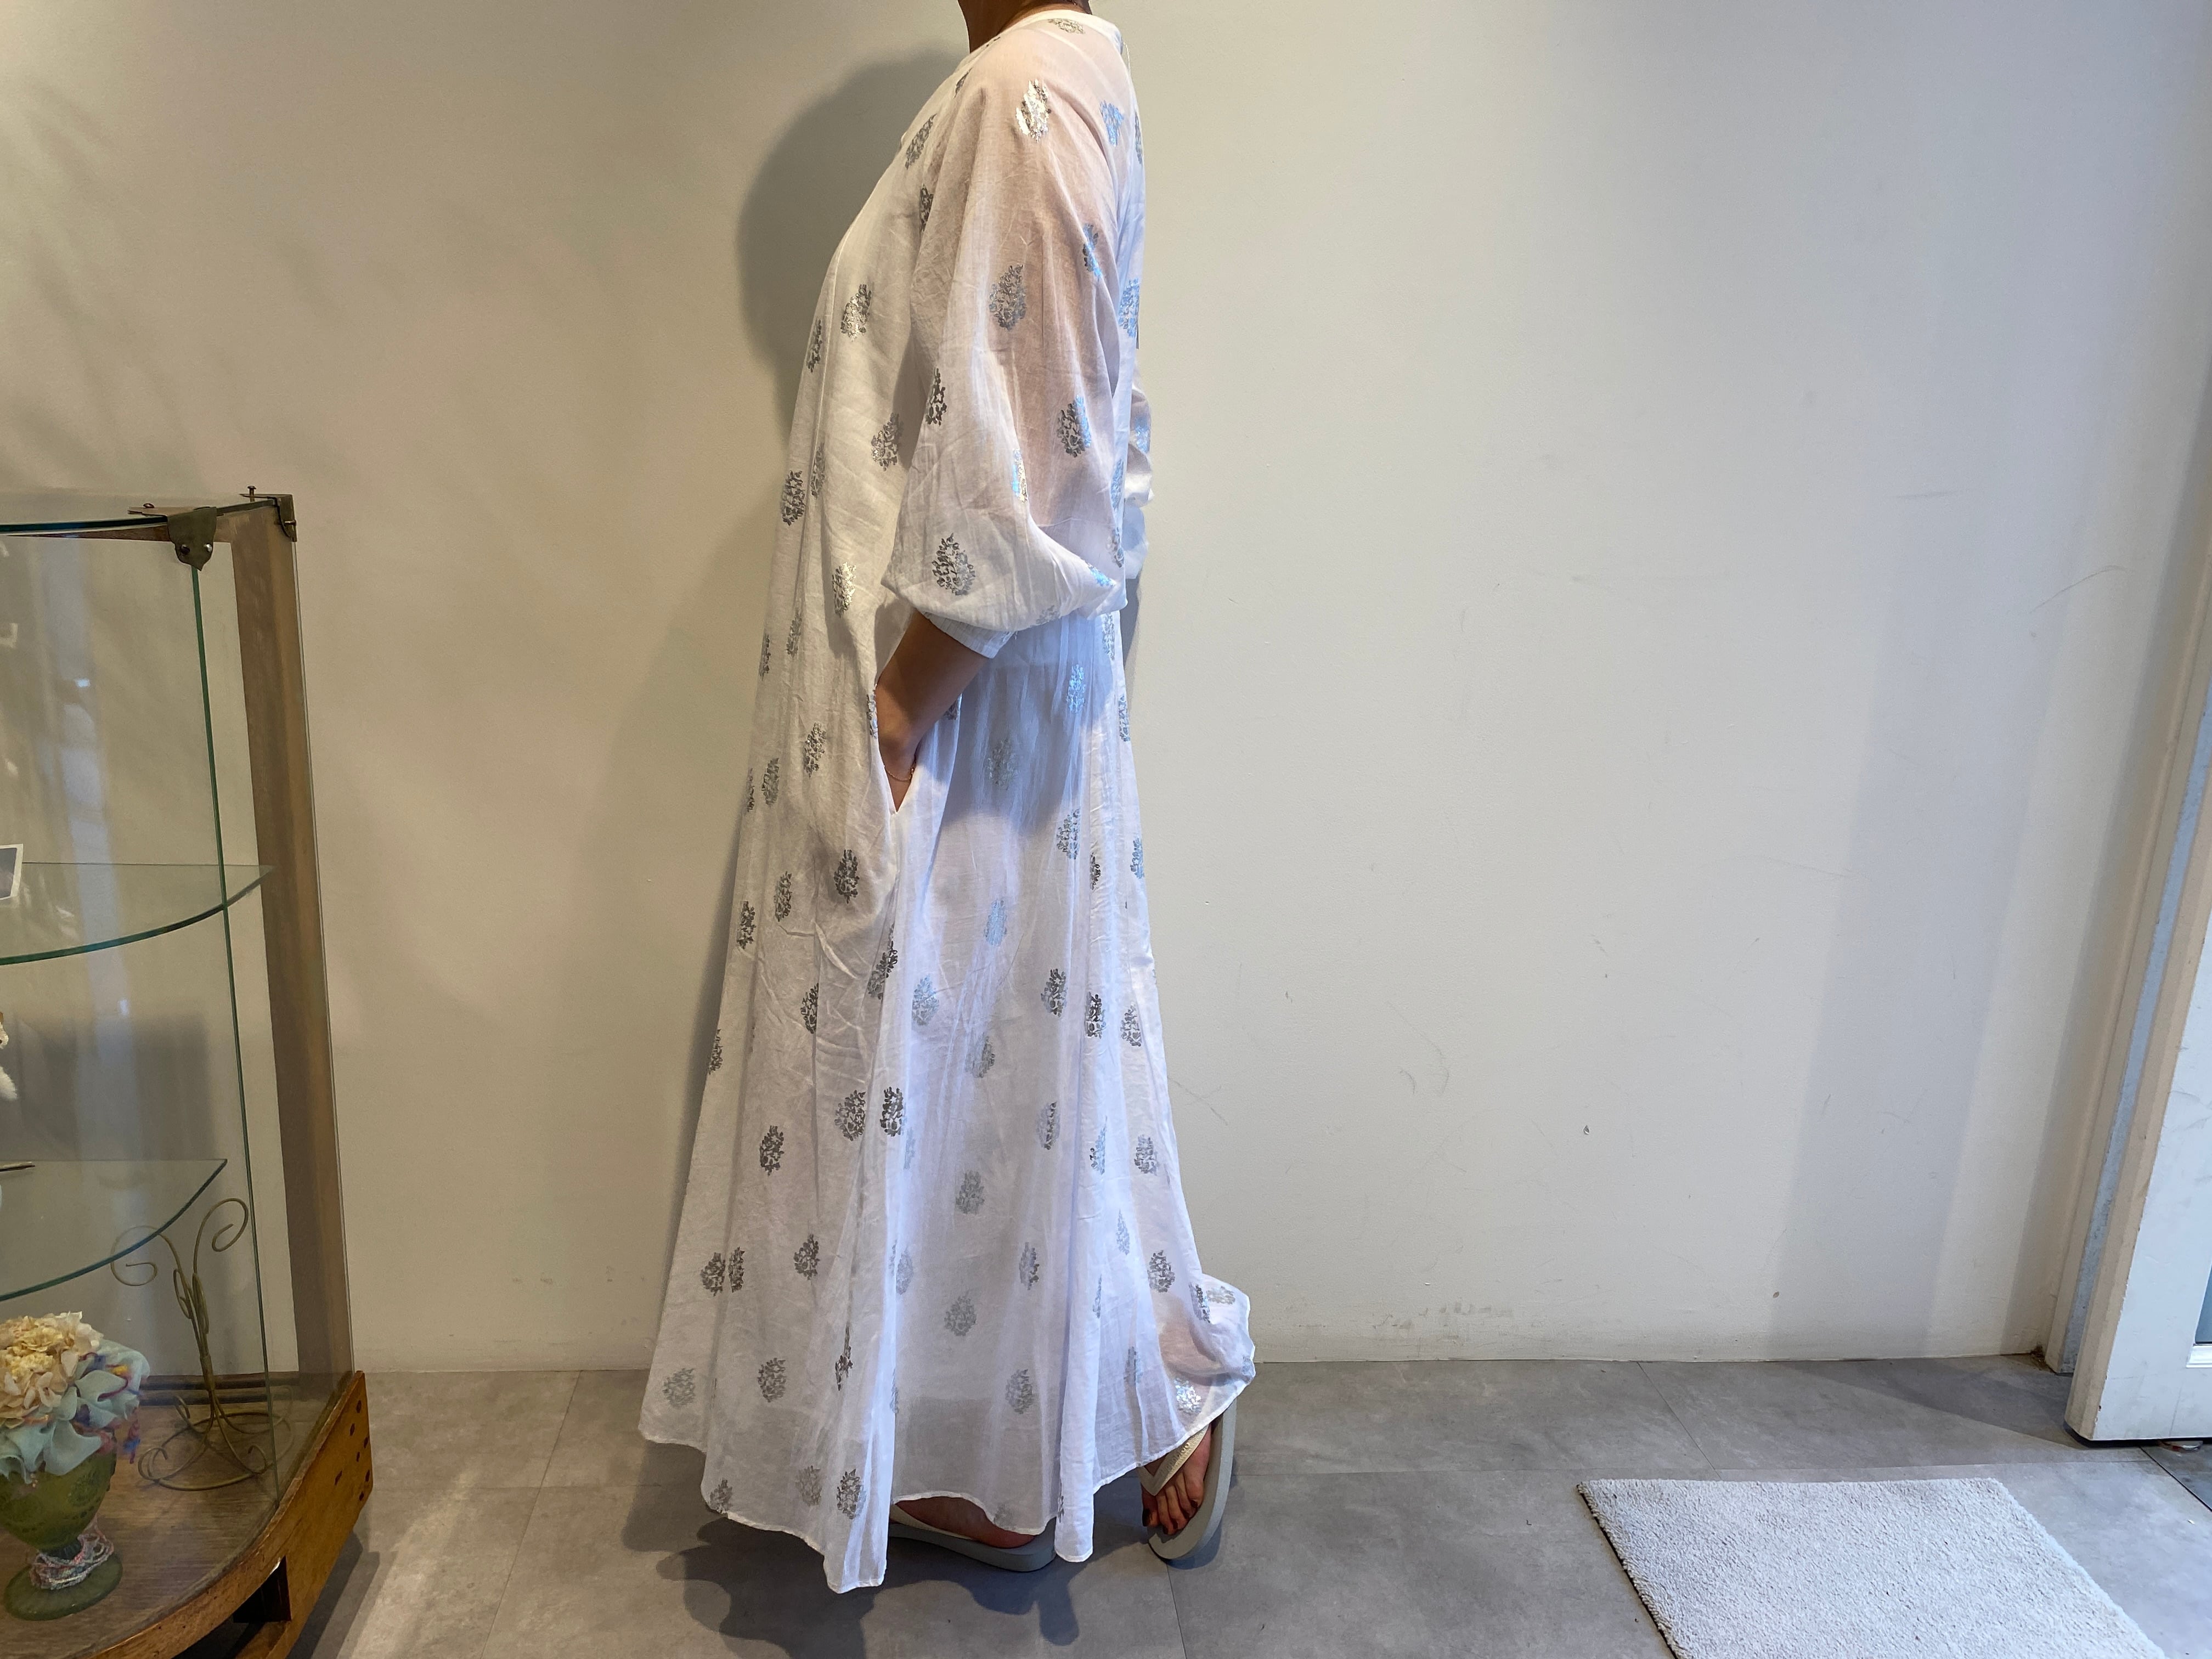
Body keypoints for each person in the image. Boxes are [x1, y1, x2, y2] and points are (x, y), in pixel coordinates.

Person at [640, 0, 1252, 1592]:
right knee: (997, 1077)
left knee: (961, 1065)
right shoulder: (1067, 74)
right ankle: (1070, 1409)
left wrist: (902, 709)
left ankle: (1092, 1417)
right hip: (994, 689)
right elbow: (1087, 428)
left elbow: (1036, 458)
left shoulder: (1021, 88)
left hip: (961, 702)